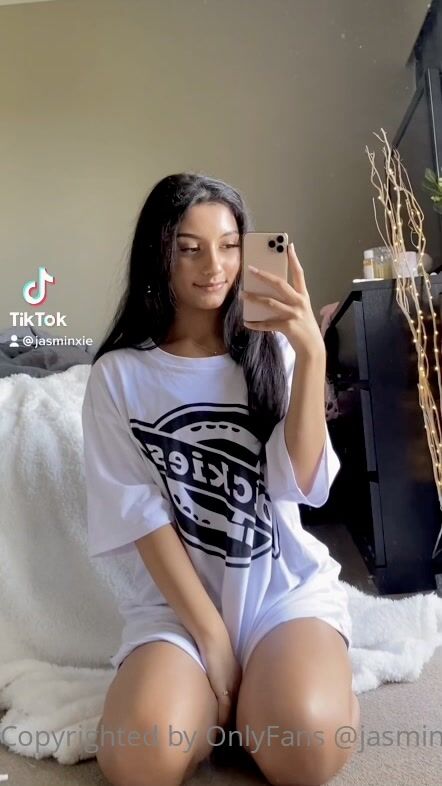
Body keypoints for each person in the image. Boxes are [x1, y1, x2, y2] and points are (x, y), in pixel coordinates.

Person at [81, 172, 360, 786]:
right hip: (177, 609)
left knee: (305, 749)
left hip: (281, 591)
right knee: (138, 759)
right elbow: (141, 517)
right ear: (159, 253)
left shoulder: (273, 352)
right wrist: (212, 639)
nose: (215, 266)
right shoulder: (118, 377)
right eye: (190, 248)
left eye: (230, 245)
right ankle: (226, 701)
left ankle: (287, 689)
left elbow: (301, 483)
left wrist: (311, 352)